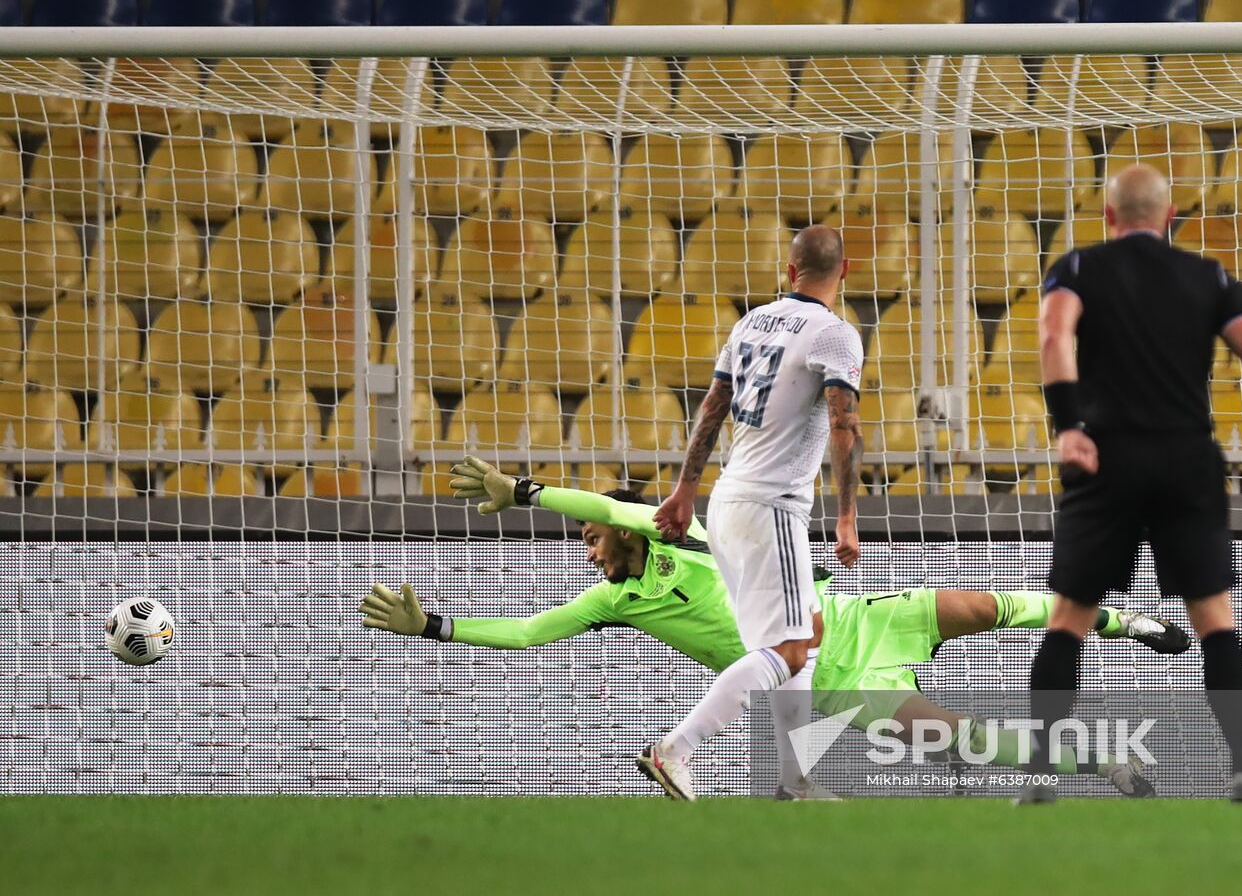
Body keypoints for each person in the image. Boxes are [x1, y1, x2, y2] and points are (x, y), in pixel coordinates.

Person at [357, 457, 1186, 797]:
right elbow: (529, 633)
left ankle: (1124, 619)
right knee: (961, 739)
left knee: (984, 606)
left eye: (591, 536)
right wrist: (436, 624)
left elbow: (607, 503)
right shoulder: (616, 602)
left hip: (863, 618)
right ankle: (1102, 763)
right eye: (584, 536)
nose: (586, 542)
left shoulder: (687, 538)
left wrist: (529, 492)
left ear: (630, 533)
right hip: (835, 680)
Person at [1019, 164, 1242, 806]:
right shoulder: (1212, 277)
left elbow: (1054, 335)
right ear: (1171, 217)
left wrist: (1068, 426)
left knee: (1069, 618)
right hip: (1186, 459)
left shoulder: (1079, 267)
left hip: (1103, 458)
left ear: (1109, 217)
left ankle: (1037, 775)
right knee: (1213, 618)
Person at [644, 224, 865, 800]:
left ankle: (794, 780)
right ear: (844, 271)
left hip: (728, 501)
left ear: (791, 272)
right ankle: (676, 749)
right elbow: (844, 424)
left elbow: (714, 405)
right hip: (771, 508)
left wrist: (685, 490)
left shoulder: (750, 321)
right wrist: (846, 516)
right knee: (789, 650)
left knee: (805, 632)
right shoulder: (836, 335)